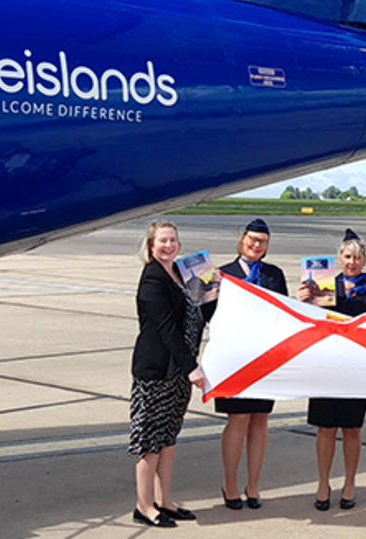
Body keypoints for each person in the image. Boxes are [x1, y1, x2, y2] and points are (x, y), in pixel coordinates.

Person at [298, 228, 366, 512]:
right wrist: (303, 302)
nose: (352, 262)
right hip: (326, 364)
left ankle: (350, 482)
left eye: (357, 258)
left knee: (351, 428)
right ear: (339, 258)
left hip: (356, 367)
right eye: (347, 257)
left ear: (365, 260)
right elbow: (309, 321)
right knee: (325, 427)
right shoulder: (322, 284)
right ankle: (323, 482)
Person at [128, 220, 206, 528]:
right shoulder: (152, 278)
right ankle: (143, 505)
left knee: (169, 437)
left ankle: (164, 500)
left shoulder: (181, 274)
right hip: (157, 370)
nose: (168, 245)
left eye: (172, 240)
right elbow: (166, 329)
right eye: (162, 241)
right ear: (151, 246)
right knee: (150, 441)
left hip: (179, 371)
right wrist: (192, 368)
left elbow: (200, 312)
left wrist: (217, 286)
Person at [207, 218, 288, 510]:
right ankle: (230, 484)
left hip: (265, 358)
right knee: (238, 420)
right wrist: (205, 289)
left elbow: (285, 314)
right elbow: (206, 314)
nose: (257, 245)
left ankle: (253, 486)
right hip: (235, 358)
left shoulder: (274, 275)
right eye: (252, 240)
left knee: (260, 420)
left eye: (263, 242)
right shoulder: (222, 274)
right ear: (242, 240)